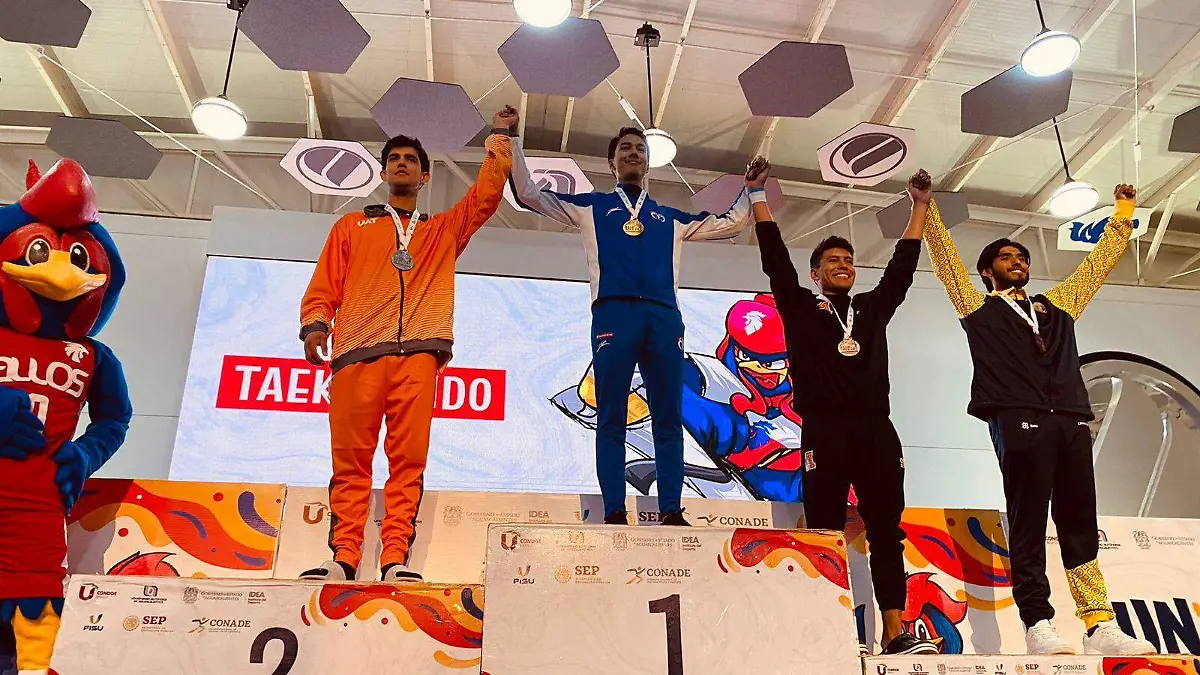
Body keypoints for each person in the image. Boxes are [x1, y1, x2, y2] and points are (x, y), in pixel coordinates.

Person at [923, 183, 1156, 656]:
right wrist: (926, 210)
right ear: (986, 271)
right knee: (1028, 522)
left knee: (1080, 524)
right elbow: (946, 261)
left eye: (1023, 257)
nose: (1018, 262)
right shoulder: (977, 308)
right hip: (1019, 420)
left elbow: (1098, 264)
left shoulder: (1058, 306)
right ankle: (1037, 622)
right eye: (1006, 257)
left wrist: (1124, 211)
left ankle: (1098, 624)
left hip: (1070, 420)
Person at [509, 123, 767, 526]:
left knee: (668, 418)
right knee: (611, 416)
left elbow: (730, 224)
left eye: (640, 150)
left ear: (648, 164)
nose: (633, 153)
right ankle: (614, 510)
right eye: (625, 149)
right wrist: (511, 140)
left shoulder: (670, 218)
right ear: (611, 163)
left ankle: (671, 511)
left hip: (664, 320)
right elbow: (528, 194)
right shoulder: (591, 207)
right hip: (613, 317)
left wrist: (751, 191)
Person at [298, 107, 517, 582]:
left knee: (408, 463)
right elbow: (325, 283)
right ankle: (344, 559)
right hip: (356, 353)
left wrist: (500, 137)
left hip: (418, 356)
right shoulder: (350, 226)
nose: (401, 163)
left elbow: (485, 196)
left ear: (424, 176)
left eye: (410, 159)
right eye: (394, 158)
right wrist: (316, 323)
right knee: (350, 462)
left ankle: (395, 559)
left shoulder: (442, 231)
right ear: (383, 173)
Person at [750, 169, 939, 655]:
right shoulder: (799, 306)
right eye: (833, 260)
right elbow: (775, 260)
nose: (844, 265)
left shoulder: (871, 309)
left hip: (876, 429)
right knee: (824, 532)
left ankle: (894, 632)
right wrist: (756, 196)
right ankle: (832, 634)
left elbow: (901, 268)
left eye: (849, 261)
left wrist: (919, 206)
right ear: (815, 274)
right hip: (824, 430)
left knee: (886, 533)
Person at [0, 159, 132, 675]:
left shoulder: (94, 357)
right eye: (39, 251)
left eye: (76, 256)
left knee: (35, 639)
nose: (59, 271)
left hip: (37, 513)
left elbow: (115, 419)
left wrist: (85, 454)